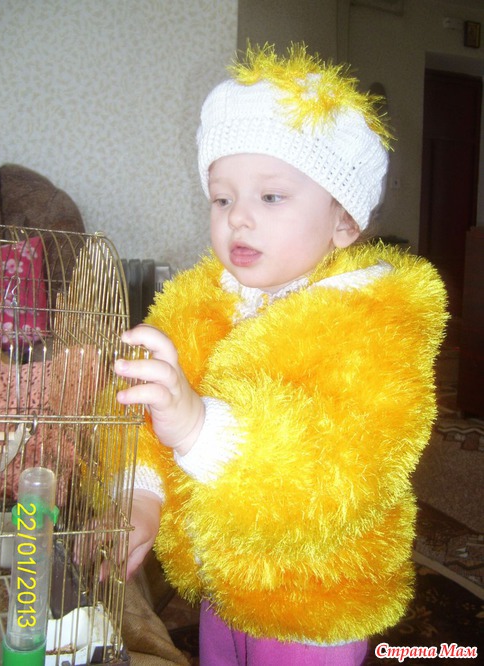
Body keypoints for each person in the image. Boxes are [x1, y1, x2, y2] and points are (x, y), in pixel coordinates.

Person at [114, 43, 448, 666]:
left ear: (344, 220)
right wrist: (141, 495)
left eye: (271, 198)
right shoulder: (201, 302)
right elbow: (147, 419)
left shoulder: (374, 322)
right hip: (223, 587)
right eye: (222, 198)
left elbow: (338, 464)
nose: (238, 219)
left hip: (313, 602)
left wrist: (199, 426)